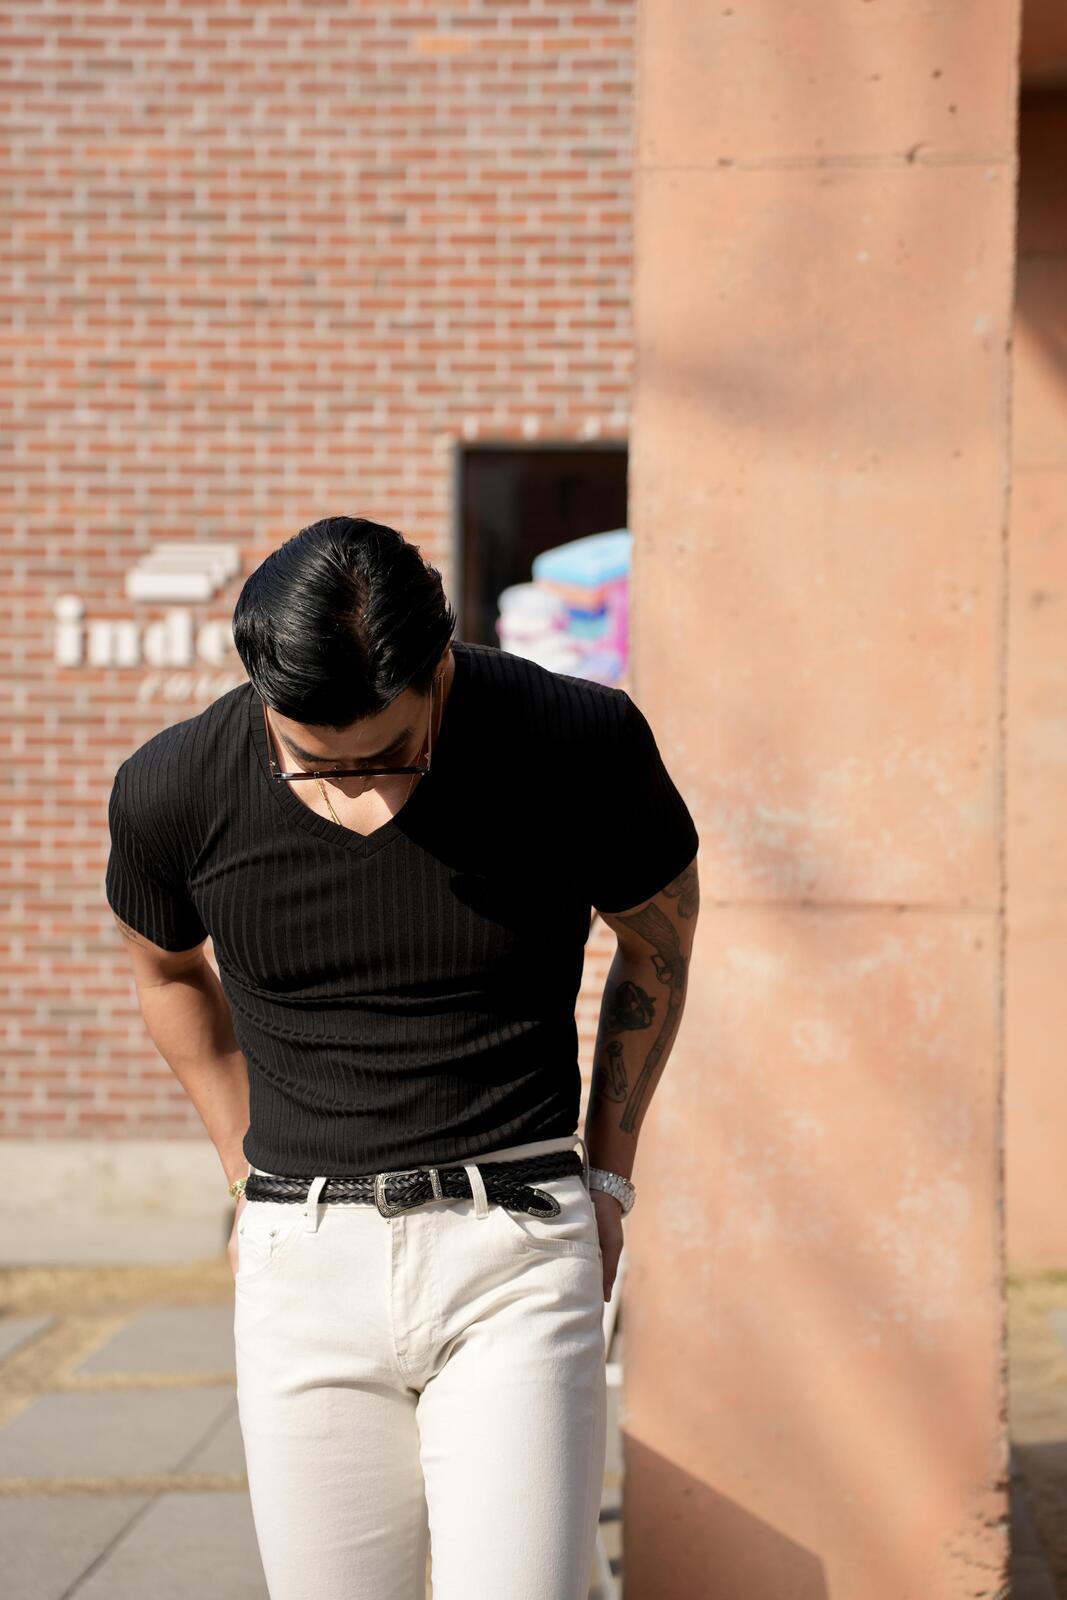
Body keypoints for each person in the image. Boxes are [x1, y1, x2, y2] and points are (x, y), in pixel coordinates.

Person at [104, 514, 700, 1600]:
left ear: (439, 670)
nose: (365, 793)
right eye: (317, 765)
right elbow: (168, 974)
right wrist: (240, 1173)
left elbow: (658, 943)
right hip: (302, 1265)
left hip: (514, 1250)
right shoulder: (174, 786)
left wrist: (610, 1178)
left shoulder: (576, 740)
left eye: (391, 753)